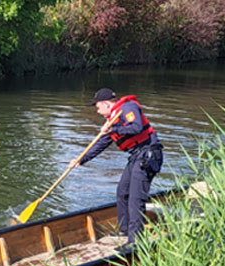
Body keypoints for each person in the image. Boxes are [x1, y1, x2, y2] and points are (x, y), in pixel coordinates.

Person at [68, 88, 163, 251]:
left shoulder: (128, 108)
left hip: (148, 155)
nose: (98, 111)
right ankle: (125, 230)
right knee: (122, 192)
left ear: (106, 103)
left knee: (135, 198)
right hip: (136, 156)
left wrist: (113, 129)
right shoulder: (111, 121)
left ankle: (136, 241)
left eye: (97, 107)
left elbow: (137, 127)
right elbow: (100, 144)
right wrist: (81, 160)